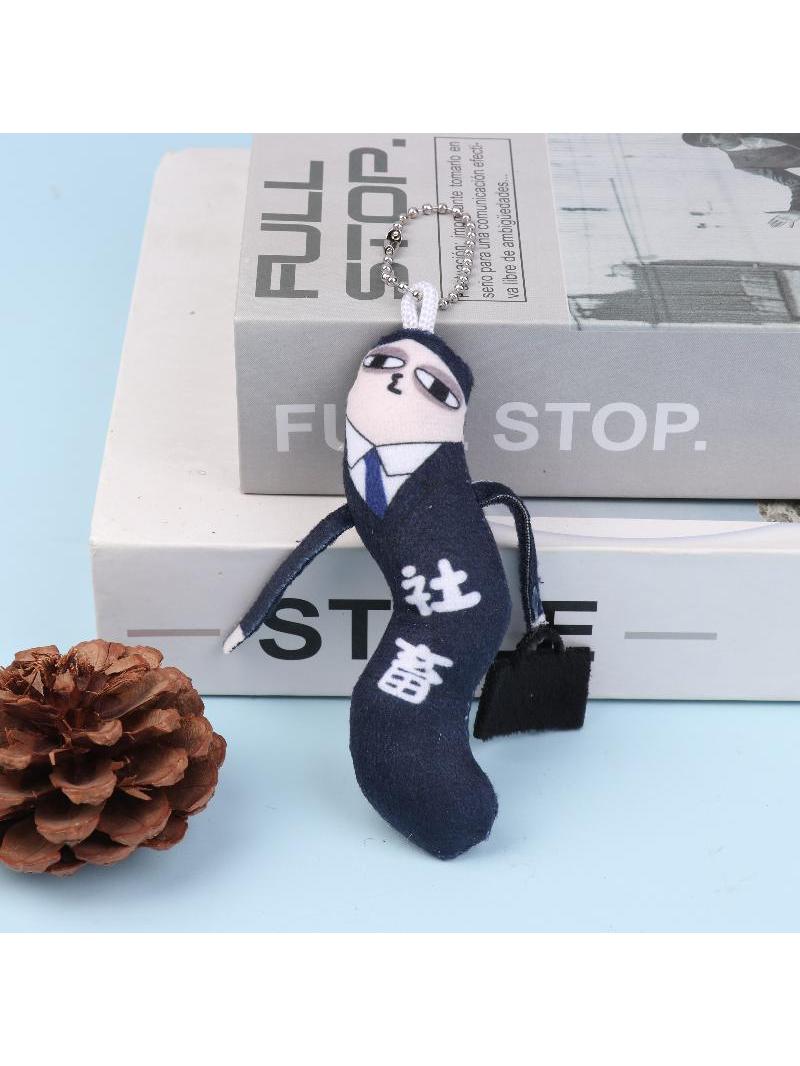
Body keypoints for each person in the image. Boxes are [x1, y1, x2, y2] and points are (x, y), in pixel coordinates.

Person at [682, 134, 800, 227]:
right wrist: (796, 209)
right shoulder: (744, 163)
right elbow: (795, 183)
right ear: (710, 143)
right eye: (715, 133)